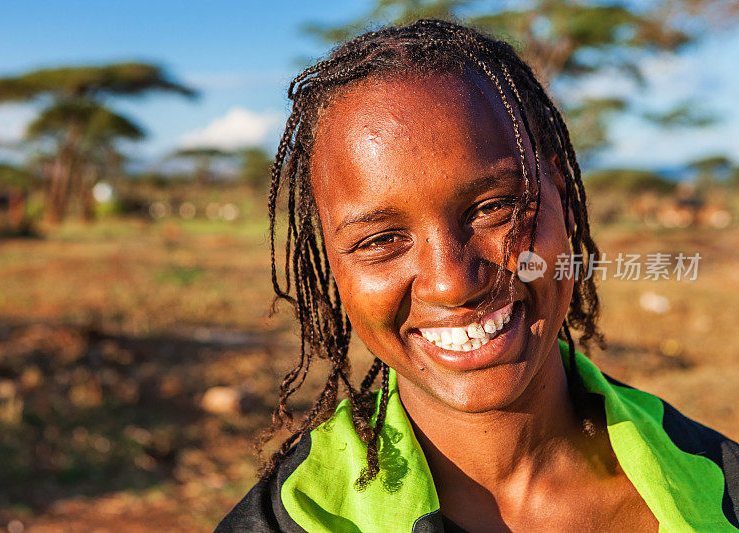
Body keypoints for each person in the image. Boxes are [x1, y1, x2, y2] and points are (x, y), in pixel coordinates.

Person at [217, 19, 739, 532]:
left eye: (494, 207)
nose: (452, 283)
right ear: (332, 265)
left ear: (562, 196)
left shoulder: (716, 484)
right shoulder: (293, 518)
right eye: (379, 240)